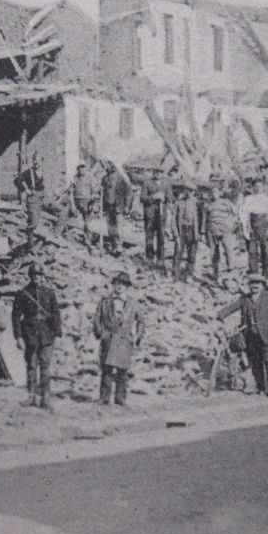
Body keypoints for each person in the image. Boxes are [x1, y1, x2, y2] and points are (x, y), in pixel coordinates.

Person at [218, 271, 268, 399]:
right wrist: (219, 315)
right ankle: (261, 388)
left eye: (257, 283)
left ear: (262, 285)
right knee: (256, 364)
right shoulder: (245, 298)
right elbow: (232, 307)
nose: (255, 286)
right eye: (252, 283)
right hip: (251, 337)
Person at [12, 260, 62, 410]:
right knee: (31, 365)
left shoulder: (50, 292)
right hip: (30, 334)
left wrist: (57, 333)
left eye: (39, 275)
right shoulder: (22, 293)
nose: (36, 277)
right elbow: (15, 316)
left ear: (43, 276)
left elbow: (56, 314)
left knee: (45, 365)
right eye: (33, 275)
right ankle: (31, 396)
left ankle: (45, 397)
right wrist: (18, 336)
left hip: (47, 334)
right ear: (30, 276)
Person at [93, 271, 143, 405]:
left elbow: (141, 321)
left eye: (123, 284)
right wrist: (100, 332)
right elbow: (97, 318)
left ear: (127, 287)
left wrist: (137, 336)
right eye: (117, 284)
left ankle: (120, 398)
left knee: (122, 371)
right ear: (114, 285)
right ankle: (104, 397)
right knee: (106, 369)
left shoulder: (133, 304)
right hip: (108, 338)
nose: (120, 287)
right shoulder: (105, 302)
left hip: (124, 340)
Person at [240, 179, 268, 279]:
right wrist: (245, 229)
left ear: (263, 187)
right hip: (252, 223)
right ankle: (254, 272)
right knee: (252, 250)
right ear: (252, 187)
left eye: (260, 186)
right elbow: (244, 215)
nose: (258, 188)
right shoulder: (248, 199)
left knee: (265, 249)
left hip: (264, 225)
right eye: (256, 186)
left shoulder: (267, 199)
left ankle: (266, 272)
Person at [205, 183, 241, 281]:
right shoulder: (208, 204)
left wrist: (233, 225)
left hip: (225, 229)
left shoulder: (226, 202)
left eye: (216, 191)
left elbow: (236, 212)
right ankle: (215, 272)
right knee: (213, 251)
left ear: (220, 192)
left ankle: (231, 270)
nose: (214, 194)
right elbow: (206, 219)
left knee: (228, 249)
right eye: (212, 192)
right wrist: (205, 232)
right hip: (212, 229)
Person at [170, 181, 201, 280]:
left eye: (191, 191)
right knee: (178, 251)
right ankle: (176, 274)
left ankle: (189, 273)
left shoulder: (196, 204)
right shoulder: (178, 203)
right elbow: (173, 219)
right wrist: (175, 233)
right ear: (184, 191)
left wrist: (198, 232)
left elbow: (199, 219)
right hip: (181, 230)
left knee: (192, 253)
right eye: (187, 190)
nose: (189, 193)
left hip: (192, 230)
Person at [101, 161, 132, 254]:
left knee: (118, 228)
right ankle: (113, 245)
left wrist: (127, 206)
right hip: (108, 206)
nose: (107, 168)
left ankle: (119, 246)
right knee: (110, 228)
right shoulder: (105, 178)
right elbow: (102, 191)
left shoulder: (121, 177)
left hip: (119, 206)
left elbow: (129, 192)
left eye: (108, 165)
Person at [142, 168, 170, 267]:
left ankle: (160, 260)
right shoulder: (147, 182)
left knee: (161, 238)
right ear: (153, 172)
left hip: (161, 216)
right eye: (156, 172)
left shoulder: (166, 184)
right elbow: (142, 198)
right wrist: (153, 197)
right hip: (150, 215)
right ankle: (149, 259)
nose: (158, 174)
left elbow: (171, 199)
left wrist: (164, 197)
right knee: (149, 238)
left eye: (160, 172)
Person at [15, 156, 46, 244]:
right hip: (33, 198)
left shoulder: (43, 171)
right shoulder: (29, 172)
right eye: (34, 160)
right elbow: (17, 180)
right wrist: (26, 190)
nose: (36, 162)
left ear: (42, 161)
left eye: (38, 160)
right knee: (33, 221)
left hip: (42, 197)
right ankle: (29, 241)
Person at [69, 162, 99, 248]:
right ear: (77, 169)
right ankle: (62, 235)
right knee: (66, 214)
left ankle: (88, 239)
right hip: (77, 200)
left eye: (83, 167)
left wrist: (92, 201)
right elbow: (71, 192)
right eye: (80, 168)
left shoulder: (90, 178)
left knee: (87, 222)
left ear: (86, 168)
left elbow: (94, 191)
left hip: (87, 201)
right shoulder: (75, 178)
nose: (82, 169)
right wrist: (72, 205)